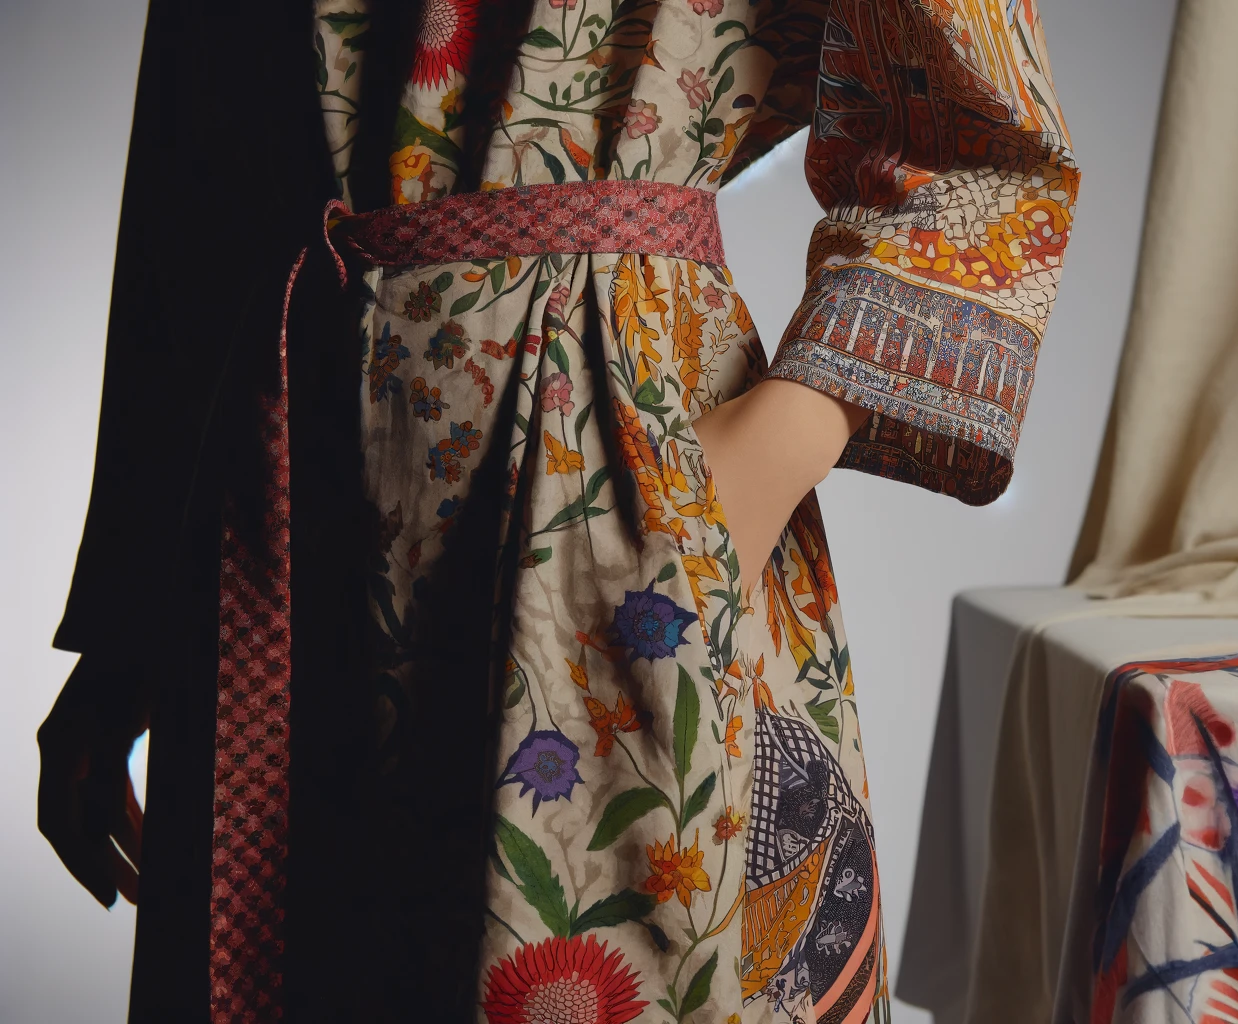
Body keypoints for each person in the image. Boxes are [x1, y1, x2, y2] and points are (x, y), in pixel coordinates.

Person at [37, 0, 1076, 1020]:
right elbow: (200, 160)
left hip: (602, 462)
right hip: (281, 510)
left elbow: (986, 144)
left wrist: (756, 471)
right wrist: (132, 624)